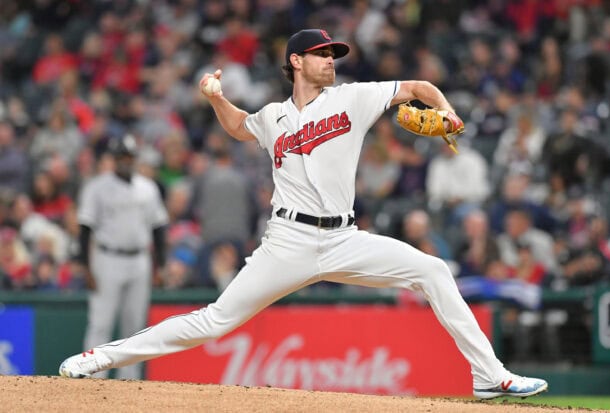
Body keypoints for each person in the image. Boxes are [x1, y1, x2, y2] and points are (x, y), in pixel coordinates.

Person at [59, 29, 547, 399]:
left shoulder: (353, 98)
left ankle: (490, 377)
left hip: (344, 238)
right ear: (296, 61)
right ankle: (100, 356)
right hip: (287, 242)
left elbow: (417, 86)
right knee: (214, 321)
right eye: (322, 54)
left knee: (434, 271)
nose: (331, 60)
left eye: (334, 54)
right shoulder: (273, 116)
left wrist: (449, 112)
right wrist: (215, 99)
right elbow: (239, 128)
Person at [70, 134, 169, 379]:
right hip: (107, 258)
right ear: (113, 159)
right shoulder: (97, 186)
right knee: (101, 322)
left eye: (130, 157)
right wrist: (86, 266)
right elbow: (85, 228)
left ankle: (130, 382)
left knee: (134, 326)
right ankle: (91, 377)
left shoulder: (148, 187)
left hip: (139, 260)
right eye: (122, 156)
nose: (126, 161)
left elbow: (159, 228)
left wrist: (161, 265)